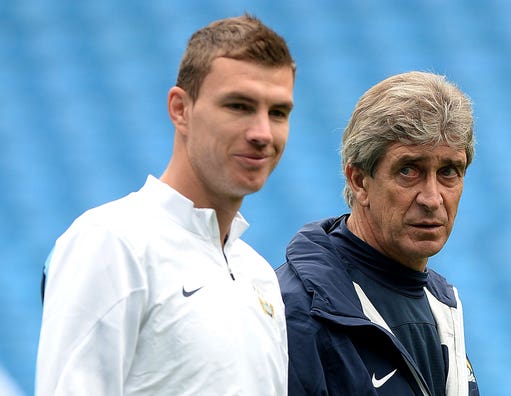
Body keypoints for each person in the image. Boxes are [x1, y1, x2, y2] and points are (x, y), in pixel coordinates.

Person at [36, 14, 295, 395]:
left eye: (278, 113)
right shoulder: (111, 243)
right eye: (239, 106)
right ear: (180, 109)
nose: (262, 133)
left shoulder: (259, 275)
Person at [277, 71, 480, 395]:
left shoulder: (442, 304)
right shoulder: (296, 312)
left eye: (448, 172)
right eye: (408, 170)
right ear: (359, 181)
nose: (431, 198)